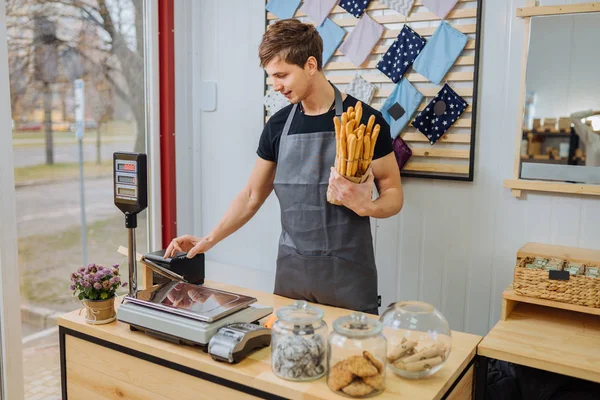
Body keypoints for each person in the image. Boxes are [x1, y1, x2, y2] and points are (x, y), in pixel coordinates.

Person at [166, 19, 403, 315]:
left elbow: (393, 193)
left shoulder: (365, 122)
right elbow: (252, 195)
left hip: (348, 277)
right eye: (271, 76)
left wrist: (366, 206)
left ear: (311, 65)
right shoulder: (277, 126)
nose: (276, 86)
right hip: (293, 277)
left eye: (282, 75)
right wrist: (208, 240)